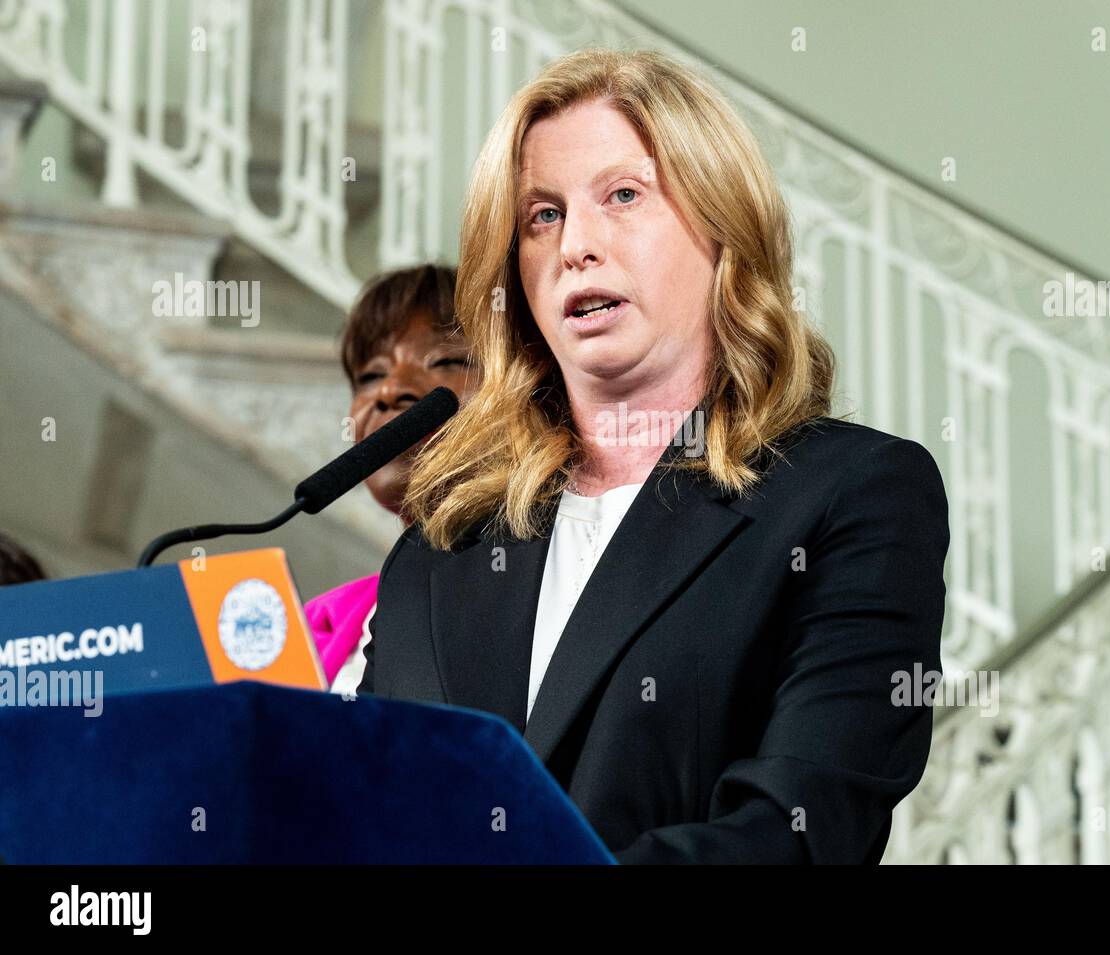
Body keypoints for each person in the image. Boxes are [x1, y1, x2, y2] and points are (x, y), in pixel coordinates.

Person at [360, 49, 949, 864]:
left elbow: (801, 827)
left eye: (623, 196)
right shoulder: (442, 543)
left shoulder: (849, 495)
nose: (576, 245)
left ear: (722, 225)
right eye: (542, 215)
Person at [304, 264, 481, 695]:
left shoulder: (554, 576)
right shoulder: (319, 625)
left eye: (445, 360)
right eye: (370, 375)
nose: (389, 390)